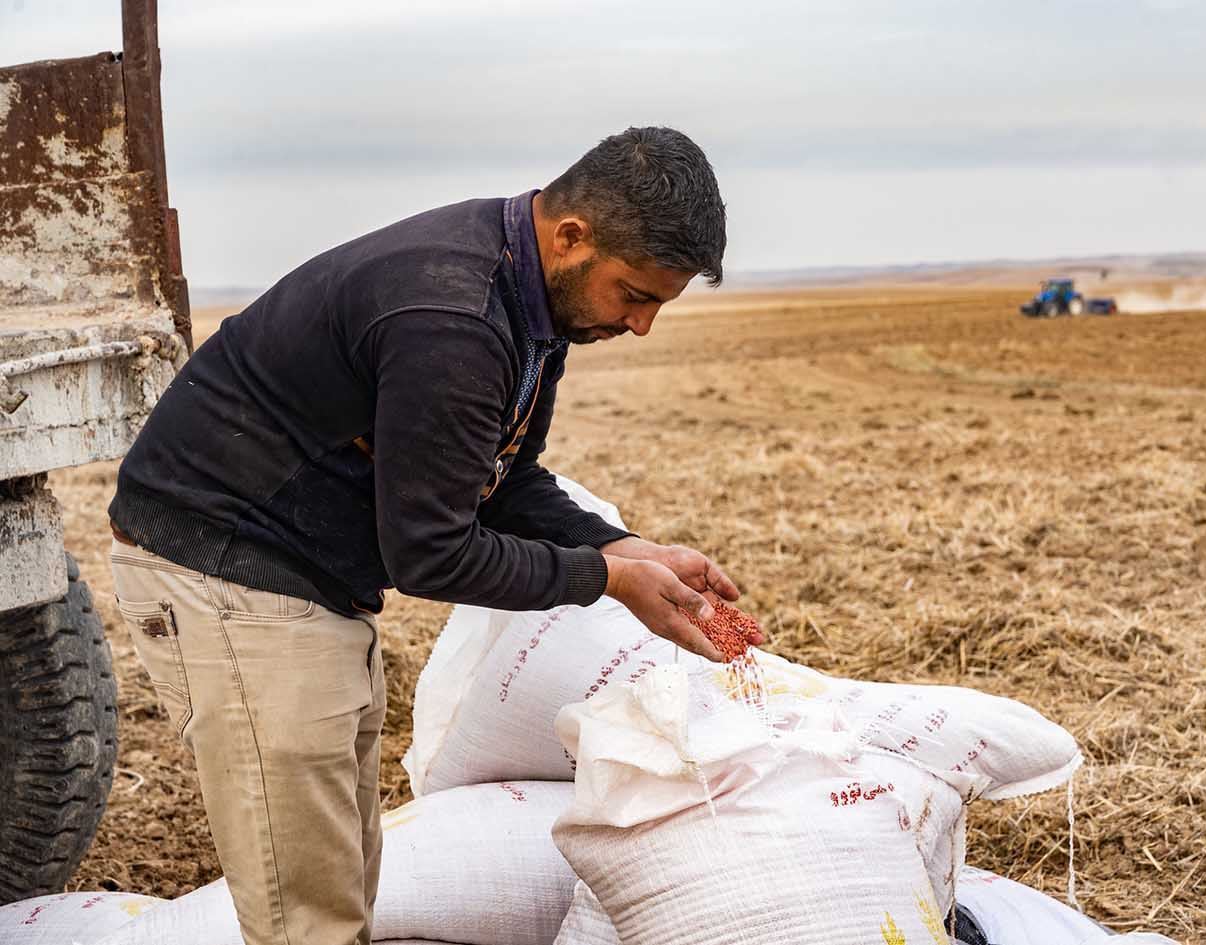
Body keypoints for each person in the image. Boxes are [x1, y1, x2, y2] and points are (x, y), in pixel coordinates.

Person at [106, 126, 754, 945]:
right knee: (307, 916)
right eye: (635, 295)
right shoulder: (454, 316)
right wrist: (606, 579)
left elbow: (505, 479)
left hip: (309, 575)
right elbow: (431, 550)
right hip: (229, 570)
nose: (642, 325)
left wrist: (626, 548)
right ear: (572, 237)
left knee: (347, 879)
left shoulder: (531, 308)